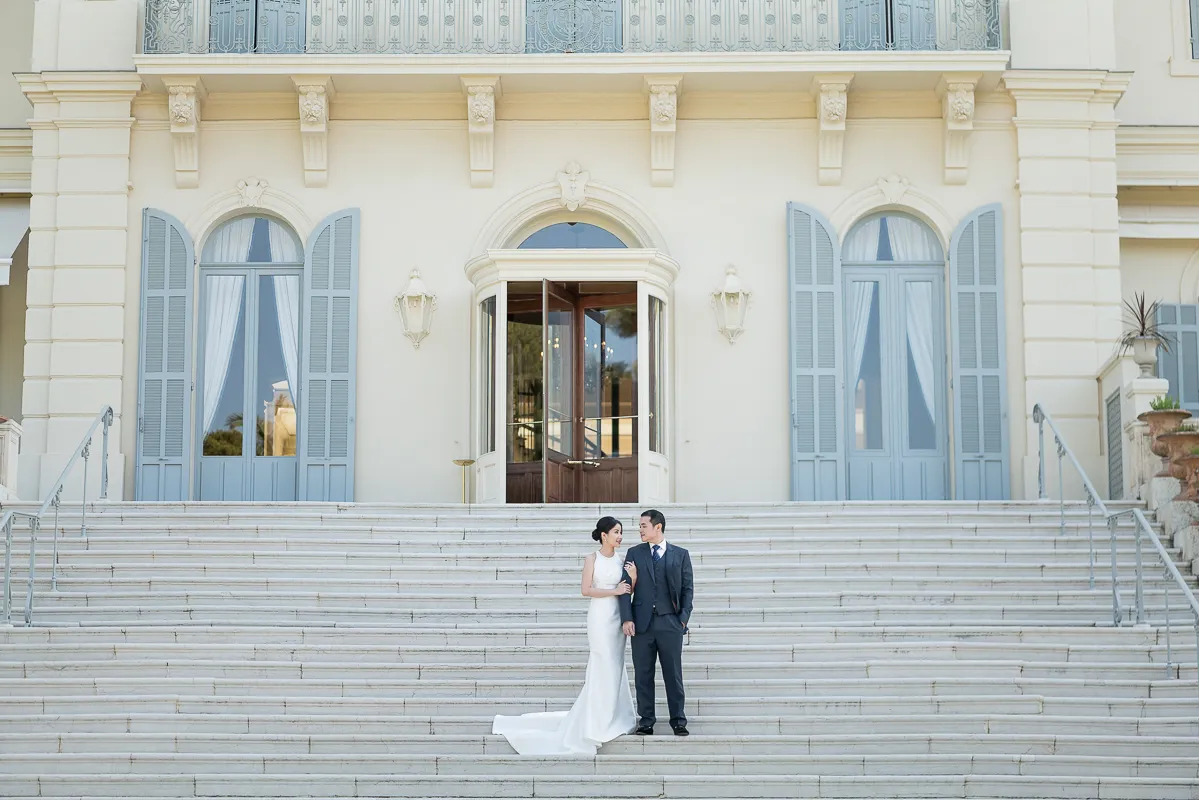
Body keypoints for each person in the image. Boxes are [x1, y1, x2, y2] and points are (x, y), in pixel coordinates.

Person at [492, 516, 638, 755]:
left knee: (615, 665)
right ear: (604, 535)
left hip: (616, 619)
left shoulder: (623, 560)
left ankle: (615, 715)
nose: (620, 536)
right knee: (601, 662)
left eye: (621, 532)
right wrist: (614, 590)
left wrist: (631, 579)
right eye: (616, 532)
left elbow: (628, 589)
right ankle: (595, 721)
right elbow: (586, 589)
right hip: (600, 617)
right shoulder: (592, 558)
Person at [619, 509, 694, 736]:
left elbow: (688, 590)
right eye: (640, 526)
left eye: (643, 525)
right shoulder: (634, 553)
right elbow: (625, 588)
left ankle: (678, 720)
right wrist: (626, 618)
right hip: (641, 625)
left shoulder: (680, 554)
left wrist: (682, 620)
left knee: (673, 673)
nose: (640, 529)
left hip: (670, 623)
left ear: (657, 527)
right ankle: (646, 721)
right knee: (643, 674)